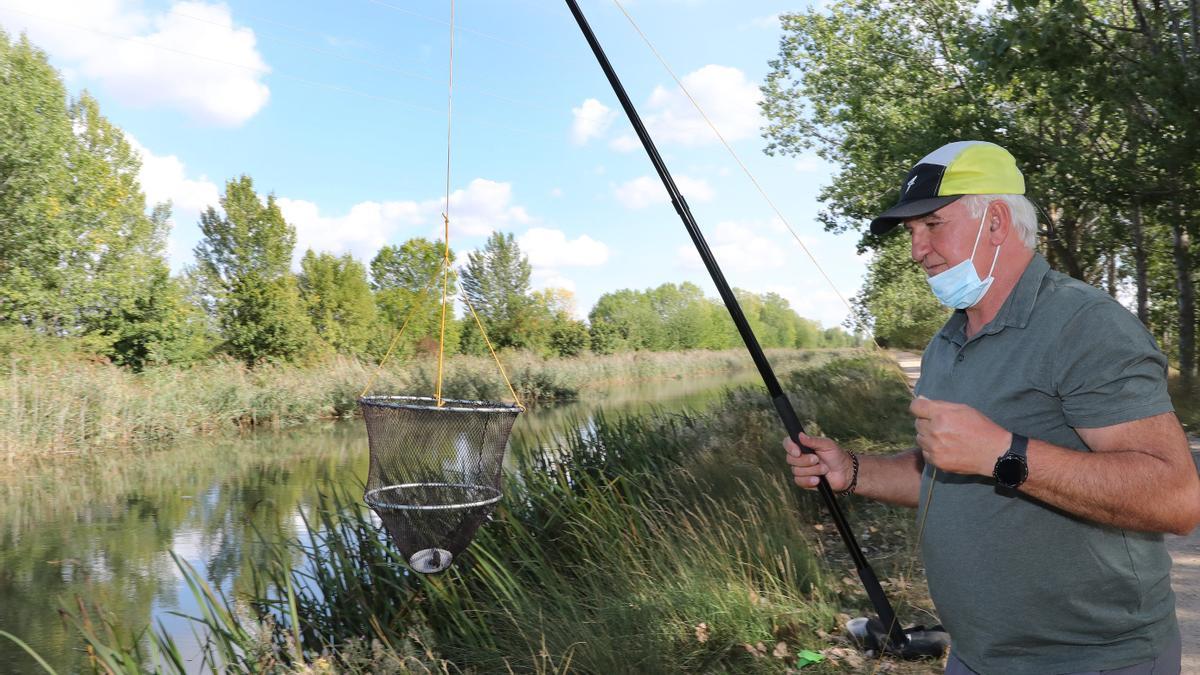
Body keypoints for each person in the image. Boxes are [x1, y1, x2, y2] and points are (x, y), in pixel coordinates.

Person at [784, 140, 1200, 674]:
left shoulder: (1084, 325)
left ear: (996, 221)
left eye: (932, 225)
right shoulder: (946, 342)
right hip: (977, 655)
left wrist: (1004, 454)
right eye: (911, 233)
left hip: (1093, 661)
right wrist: (853, 470)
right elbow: (945, 472)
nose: (917, 250)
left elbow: (1175, 498)